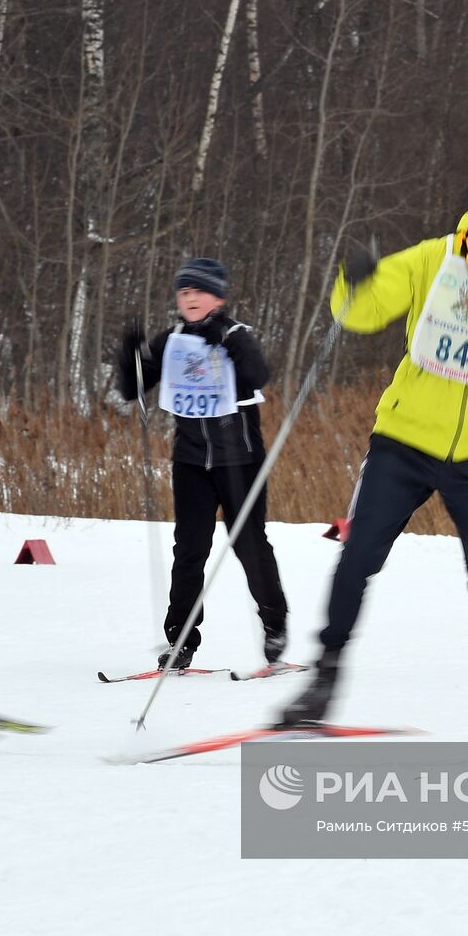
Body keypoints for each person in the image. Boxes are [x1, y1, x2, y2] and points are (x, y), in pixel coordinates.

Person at [276, 159, 468, 757]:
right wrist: (354, 280)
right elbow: (359, 313)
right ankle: (322, 681)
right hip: (404, 442)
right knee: (358, 555)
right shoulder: (432, 258)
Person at [117, 257, 289, 671]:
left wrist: (225, 340)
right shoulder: (172, 339)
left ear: (218, 296)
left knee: (249, 543)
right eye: (184, 291)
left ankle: (274, 626)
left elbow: (258, 375)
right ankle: (180, 641)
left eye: (198, 291)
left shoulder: (235, 333)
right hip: (191, 461)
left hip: (240, 461)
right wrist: (130, 355)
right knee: (189, 552)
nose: (190, 298)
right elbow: (131, 389)